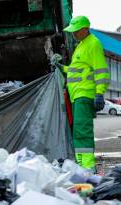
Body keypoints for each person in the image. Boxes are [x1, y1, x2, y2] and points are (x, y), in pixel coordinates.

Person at [51, 16, 110, 171]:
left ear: (85, 29)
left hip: (85, 94)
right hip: (77, 95)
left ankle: (88, 167)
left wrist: (99, 93)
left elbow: (101, 70)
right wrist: (60, 66)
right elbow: (75, 70)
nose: (74, 34)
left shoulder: (93, 44)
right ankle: (81, 166)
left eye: (76, 31)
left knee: (83, 131)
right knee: (78, 132)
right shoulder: (82, 45)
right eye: (72, 31)